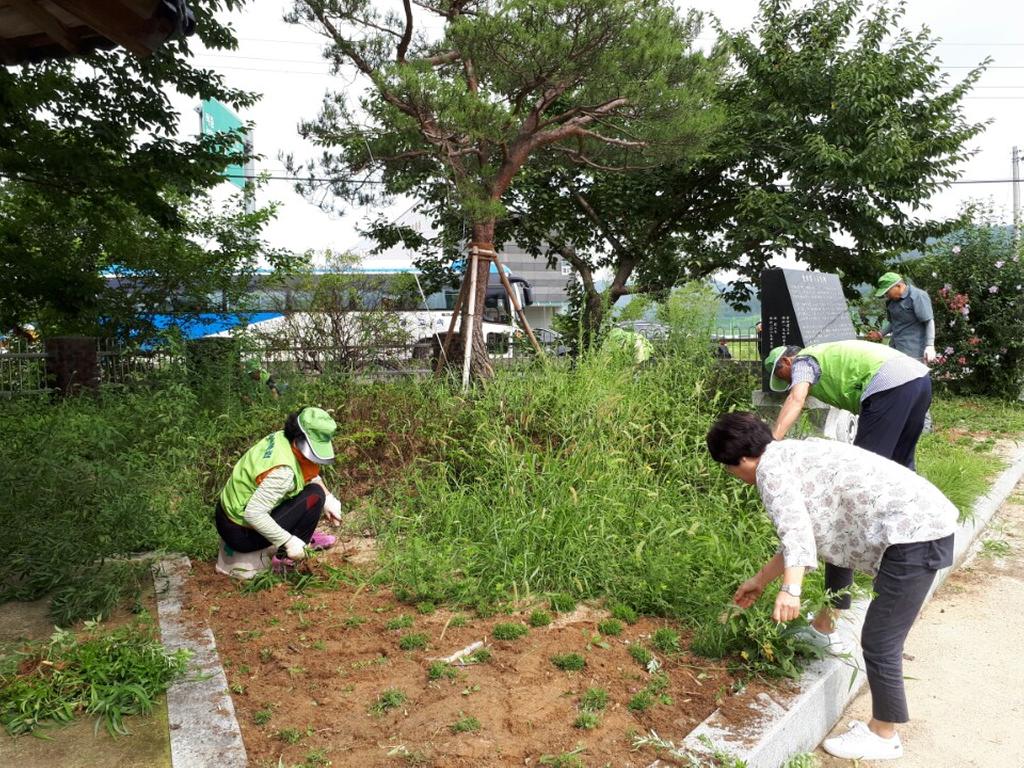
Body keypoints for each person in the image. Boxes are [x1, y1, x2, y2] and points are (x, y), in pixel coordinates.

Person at [706, 412, 956, 761]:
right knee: (880, 634)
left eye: (729, 469)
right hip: (922, 521)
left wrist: (791, 590)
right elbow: (804, 533)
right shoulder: (787, 453)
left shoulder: (770, 473)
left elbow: (795, 534)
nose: (734, 476)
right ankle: (826, 629)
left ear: (743, 459)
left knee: (880, 640)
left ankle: (884, 734)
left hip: (916, 534)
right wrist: (761, 582)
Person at [764, 339, 931, 639]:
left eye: (783, 378)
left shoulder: (804, 361)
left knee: (848, 498)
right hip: (918, 380)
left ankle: (827, 622)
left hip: (889, 387)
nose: (787, 384)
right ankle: (917, 557)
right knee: (900, 477)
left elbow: (796, 399)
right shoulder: (828, 357)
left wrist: (773, 441)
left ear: (786, 364)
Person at [215, 406, 344, 577]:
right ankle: (287, 557)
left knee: (319, 493)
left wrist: (329, 498)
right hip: (241, 532)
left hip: (226, 514)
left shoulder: (282, 439)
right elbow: (253, 514)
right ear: (301, 438)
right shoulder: (283, 472)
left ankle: (295, 541)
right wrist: (289, 542)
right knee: (314, 495)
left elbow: (306, 472)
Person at [867, 272, 937, 363]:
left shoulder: (918, 296)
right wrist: (880, 334)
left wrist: (930, 346)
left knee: (914, 377)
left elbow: (928, 321)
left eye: (887, 292)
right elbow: (894, 322)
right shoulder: (891, 301)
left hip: (915, 352)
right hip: (895, 349)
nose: (886, 295)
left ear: (899, 286)